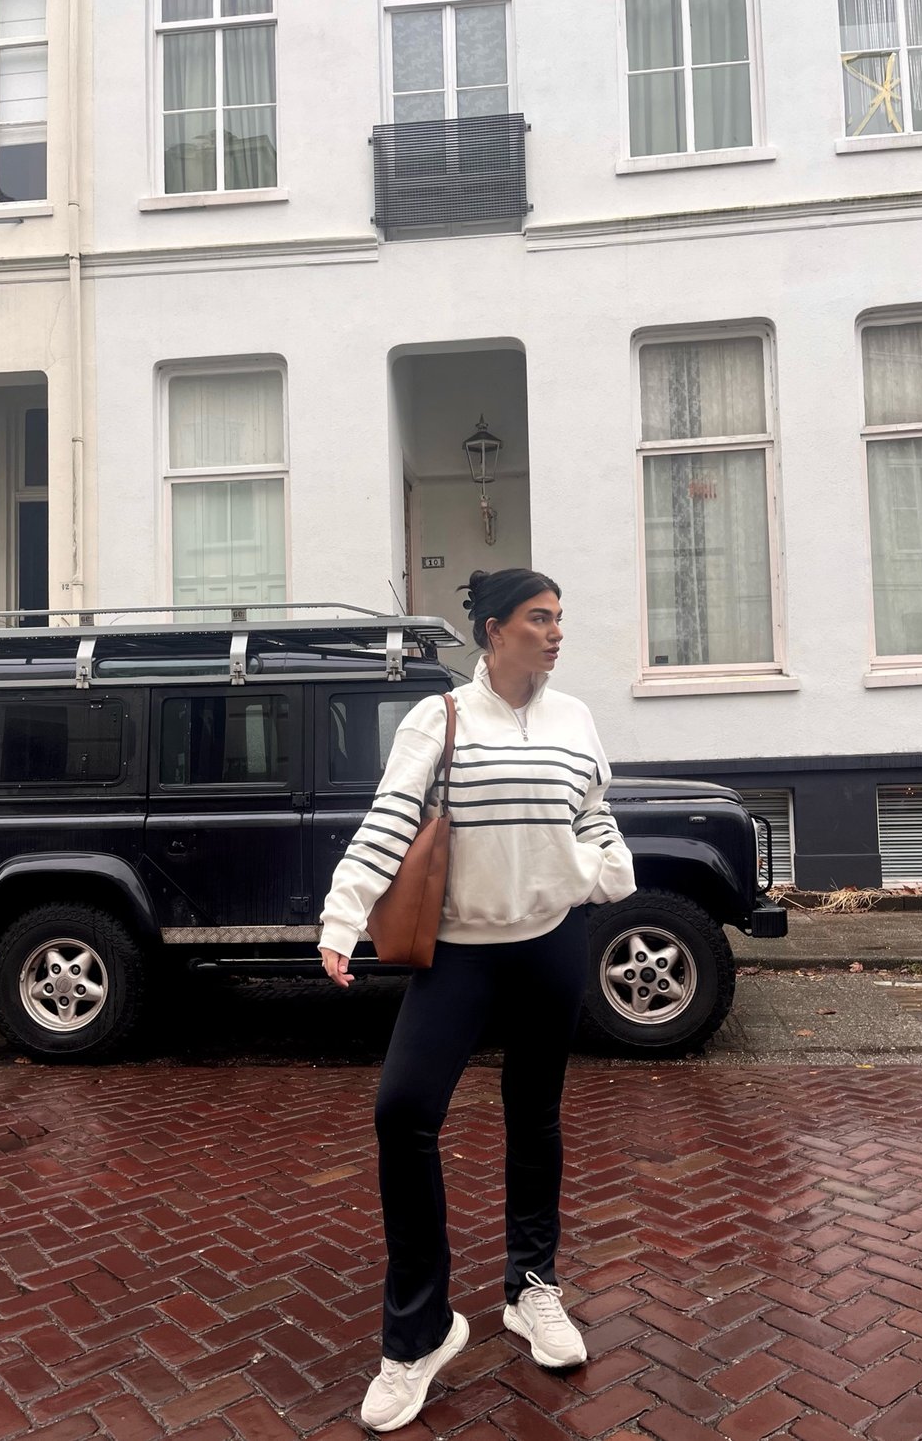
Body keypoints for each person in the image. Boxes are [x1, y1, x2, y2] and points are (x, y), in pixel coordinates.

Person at [318, 568, 636, 1433]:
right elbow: (388, 820)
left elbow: (594, 812)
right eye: (540, 619)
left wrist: (610, 869)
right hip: (459, 953)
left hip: (550, 947)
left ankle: (531, 1289)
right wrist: (342, 917)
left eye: (561, 618)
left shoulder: (575, 719)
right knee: (403, 1112)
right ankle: (419, 1332)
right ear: (494, 631)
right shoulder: (442, 717)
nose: (557, 632)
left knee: (535, 1117)